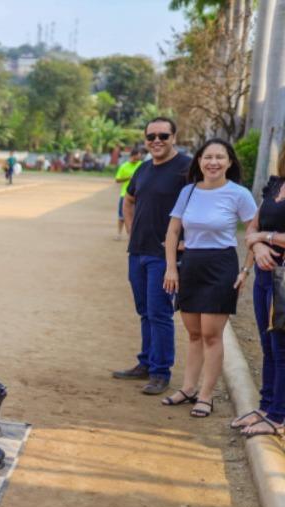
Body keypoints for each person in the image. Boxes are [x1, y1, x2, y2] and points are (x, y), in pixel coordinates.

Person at [161, 139, 257, 418]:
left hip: (221, 265)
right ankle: (188, 388)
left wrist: (246, 269)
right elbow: (172, 232)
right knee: (193, 334)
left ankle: (206, 396)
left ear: (229, 162)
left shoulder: (239, 194)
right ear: (199, 161)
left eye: (220, 157)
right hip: (190, 265)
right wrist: (171, 268)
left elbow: (254, 233)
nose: (213, 162)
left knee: (212, 336)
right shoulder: (188, 191)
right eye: (207, 157)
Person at [112, 117, 192, 395]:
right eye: (151, 137)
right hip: (139, 251)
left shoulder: (187, 168)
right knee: (144, 311)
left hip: (165, 255)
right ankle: (145, 363)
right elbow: (130, 199)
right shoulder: (143, 169)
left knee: (160, 313)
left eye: (163, 136)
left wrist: (186, 241)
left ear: (174, 136)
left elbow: (203, 203)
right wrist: (132, 230)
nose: (156, 141)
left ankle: (160, 372)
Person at [236, 146, 285, 435]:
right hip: (265, 277)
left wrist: (265, 238)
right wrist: (257, 244)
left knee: (282, 349)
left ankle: (278, 416)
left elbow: (259, 231)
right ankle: (265, 407)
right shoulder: (275, 184)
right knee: (267, 346)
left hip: (283, 280)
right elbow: (251, 228)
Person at [114, 147, 144, 240]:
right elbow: (117, 179)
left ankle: (132, 234)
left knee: (137, 216)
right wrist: (128, 178)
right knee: (121, 216)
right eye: (137, 157)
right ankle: (119, 233)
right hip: (125, 194)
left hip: (139, 195)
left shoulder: (142, 165)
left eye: (139, 157)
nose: (138, 159)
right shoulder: (124, 166)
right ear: (133, 156)